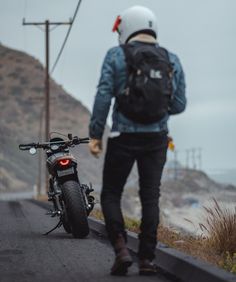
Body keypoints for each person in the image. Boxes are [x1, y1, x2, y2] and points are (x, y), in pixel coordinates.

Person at [88, 5, 186, 276]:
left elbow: (103, 97)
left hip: (123, 136)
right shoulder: (171, 59)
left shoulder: (115, 55)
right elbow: (179, 104)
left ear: (126, 27)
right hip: (157, 139)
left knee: (111, 193)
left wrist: (96, 134)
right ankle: (146, 259)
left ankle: (120, 249)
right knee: (150, 196)